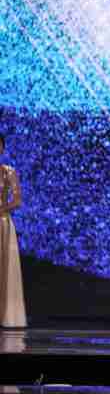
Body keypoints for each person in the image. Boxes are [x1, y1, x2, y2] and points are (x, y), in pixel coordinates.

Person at [0, 133, 27, 328]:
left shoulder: (9, 172)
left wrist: (2, 208)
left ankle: (6, 315)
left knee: (4, 269)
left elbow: (17, 200)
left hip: (2, 223)